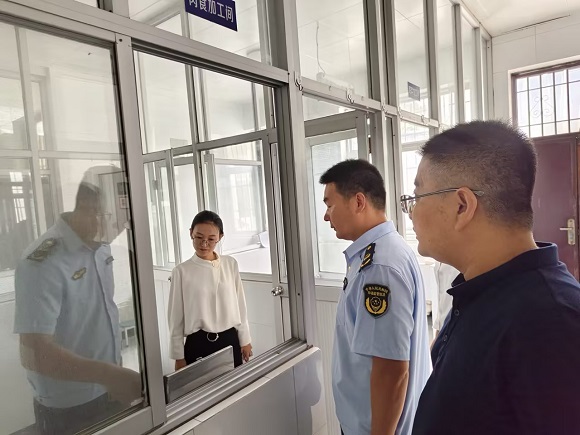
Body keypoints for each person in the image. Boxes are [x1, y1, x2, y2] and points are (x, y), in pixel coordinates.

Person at [408, 121, 580, 435]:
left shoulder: (552, 324)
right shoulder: (479, 289)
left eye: (417, 196)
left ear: (462, 206)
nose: (411, 211)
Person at [13, 167, 141, 435]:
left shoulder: (100, 246)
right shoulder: (42, 261)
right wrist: (109, 375)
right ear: (85, 206)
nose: (120, 229)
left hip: (109, 390)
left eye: (125, 220)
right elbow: (35, 354)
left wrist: (112, 375)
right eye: (114, 219)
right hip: (69, 407)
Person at [320, 159, 431, 435]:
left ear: (358, 202)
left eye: (330, 205)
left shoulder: (379, 267)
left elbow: (391, 369)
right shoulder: (382, 252)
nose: (326, 217)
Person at [168, 210, 252, 371]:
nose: (204, 244)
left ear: (220, 236)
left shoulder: (230, 264)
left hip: (229, 340)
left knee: (233, 385)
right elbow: (175, 318)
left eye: (211, 239)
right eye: (199, 237)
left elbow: (240, 305)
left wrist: (245, 339)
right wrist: (178, 356)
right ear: (191, 233)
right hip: (198, 343)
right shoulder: (181, 271)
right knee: (200, 386)